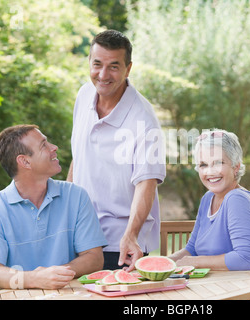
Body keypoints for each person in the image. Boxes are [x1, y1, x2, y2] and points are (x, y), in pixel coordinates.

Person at [67, 30, 166, 271]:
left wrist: (131, 235)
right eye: (97, 64)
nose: (103, 75)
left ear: (128, 69)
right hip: (79, 236)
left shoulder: (144, 120)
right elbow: (78, 159)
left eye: (113, 66)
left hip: (119, 244)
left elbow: (147, 184)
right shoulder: (83, 95)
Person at [0, 125, 107, 290]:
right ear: (25, 161)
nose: (54, 147)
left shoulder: (76, 196)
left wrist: (55, 276)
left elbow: (94, 258)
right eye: (44, 145)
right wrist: (35, 279)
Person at [169, 129, 250, 271]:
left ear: (235, 167)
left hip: (238, 289)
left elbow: (245, 259)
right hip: (210, 286)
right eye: (203, 165)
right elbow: (192, 249)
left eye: (218, 163)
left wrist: (196, 262)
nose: (210, 172)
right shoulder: (208, 198)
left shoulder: (236, 199)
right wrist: (162, 262)